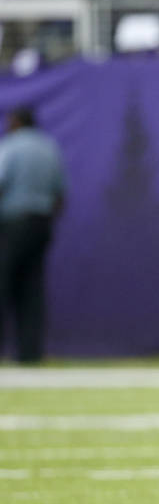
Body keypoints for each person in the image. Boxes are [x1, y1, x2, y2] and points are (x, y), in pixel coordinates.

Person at [0, 106, 66, 364]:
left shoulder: (11, 146)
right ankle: (30, 353)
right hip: (41, 224)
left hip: (12, 223)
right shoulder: (50, 148)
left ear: (15, 122)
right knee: (32, 290)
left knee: (3, 285)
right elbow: (60, 195)